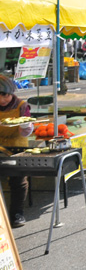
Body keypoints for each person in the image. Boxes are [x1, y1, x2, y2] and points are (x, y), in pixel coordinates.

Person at [0, 76, 33, 228]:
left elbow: (26, 132)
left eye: (5, 95)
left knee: (17, 181)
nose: (2, 100)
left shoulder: (21, 105)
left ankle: (17, 214)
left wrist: (26, 127)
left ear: (11, 93)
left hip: (17, 147)